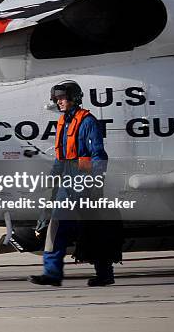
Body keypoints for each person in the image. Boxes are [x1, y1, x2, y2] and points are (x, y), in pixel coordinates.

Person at [30, 81, 118, 287]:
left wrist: (95, 183)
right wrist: (53, 179)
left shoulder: (87, 122)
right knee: (56, 226)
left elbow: (98, 155)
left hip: (84, 182)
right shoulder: (63, 122)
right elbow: (61, 157)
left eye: (62, 98)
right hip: (66, 182)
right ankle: (52, 273)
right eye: (57, 98)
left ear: (74, 98)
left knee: (92, 230)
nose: (58, 102)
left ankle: (105, 273)